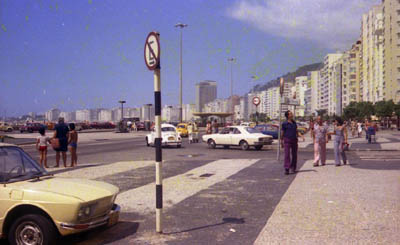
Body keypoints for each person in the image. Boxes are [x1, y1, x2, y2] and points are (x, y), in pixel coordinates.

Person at [281, 110, 304, 175]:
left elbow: (296, 131)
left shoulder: (294, 122)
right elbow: (282, 132)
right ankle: (287, 168)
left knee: (294, 154)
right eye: (290, 114)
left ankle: (293, 167)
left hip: (294, 140)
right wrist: (281, 141)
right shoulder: (284, 124)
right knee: (287, 155)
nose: (292, 114)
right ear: (288, 116)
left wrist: (301, 136)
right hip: (287, 140)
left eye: (291, 113)